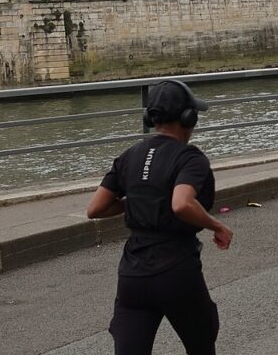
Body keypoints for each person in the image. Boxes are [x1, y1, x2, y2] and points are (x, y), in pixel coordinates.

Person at [86, 80, 232, 355]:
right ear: (189, 118)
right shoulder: (190, 158)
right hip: (176, 270)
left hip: (133, 274)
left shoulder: (129, 156)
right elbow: (181, 204)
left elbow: (95, 209)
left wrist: (139, 200)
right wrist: (216, 225)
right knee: (201, 344)